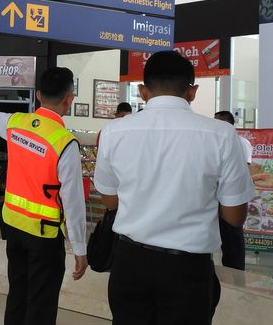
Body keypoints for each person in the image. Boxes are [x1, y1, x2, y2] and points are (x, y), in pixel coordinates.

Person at [95, 51, 253, 324]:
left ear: (143, 91)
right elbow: (234, 217)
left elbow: (110, 201)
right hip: (188, 268)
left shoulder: (114, 132)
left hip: (129, 262)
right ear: (192, 91)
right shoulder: (222, 135)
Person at [0, 67, 87, 325]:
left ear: (37, 95)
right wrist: (79, 247)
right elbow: (73, 202)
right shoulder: (64, 142)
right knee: (41, 302)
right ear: (69, 99)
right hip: (44, 236)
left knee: (18, 294)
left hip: (13, 228)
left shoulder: (16, 123)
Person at [213, 110, 253, 271]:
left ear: (227, 124)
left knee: (232, 233)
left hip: (232, 194)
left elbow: (244, 168)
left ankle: (235, 270)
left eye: (217, 121)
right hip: (216, 194)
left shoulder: (241, 142)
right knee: (221, 233)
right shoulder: (216, 141)